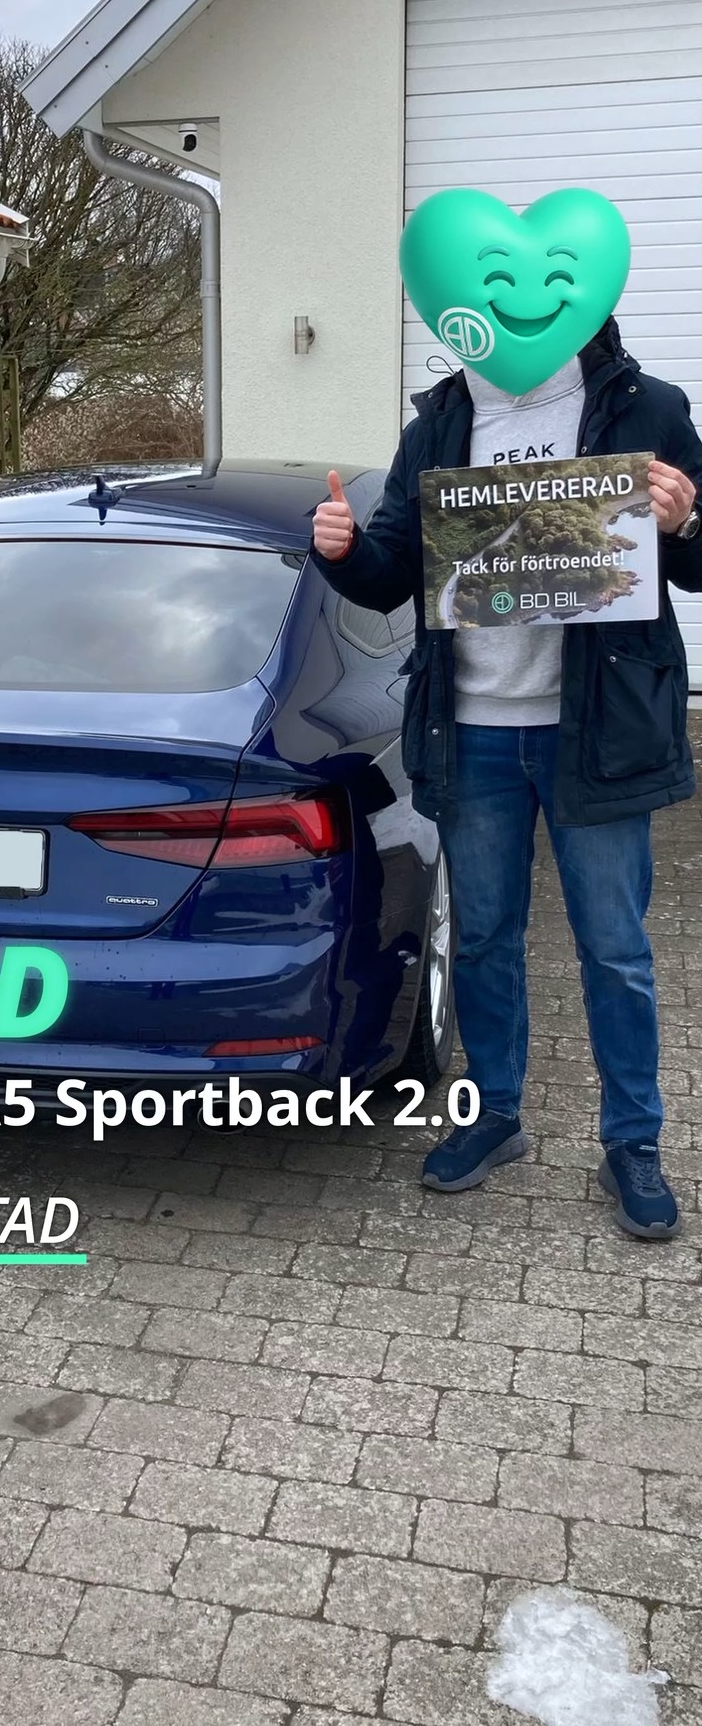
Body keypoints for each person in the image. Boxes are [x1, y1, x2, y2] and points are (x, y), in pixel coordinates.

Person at [312, 316, 702, 1239]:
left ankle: (633, 1143)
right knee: (485, 938)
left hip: (596, 731)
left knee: (615, 948)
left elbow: (696, 568)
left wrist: (685, 525)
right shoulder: (440, 422)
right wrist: (344, 551)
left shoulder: (645, 407)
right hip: (473, 730)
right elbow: (392, 573)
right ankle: (495, 1115)